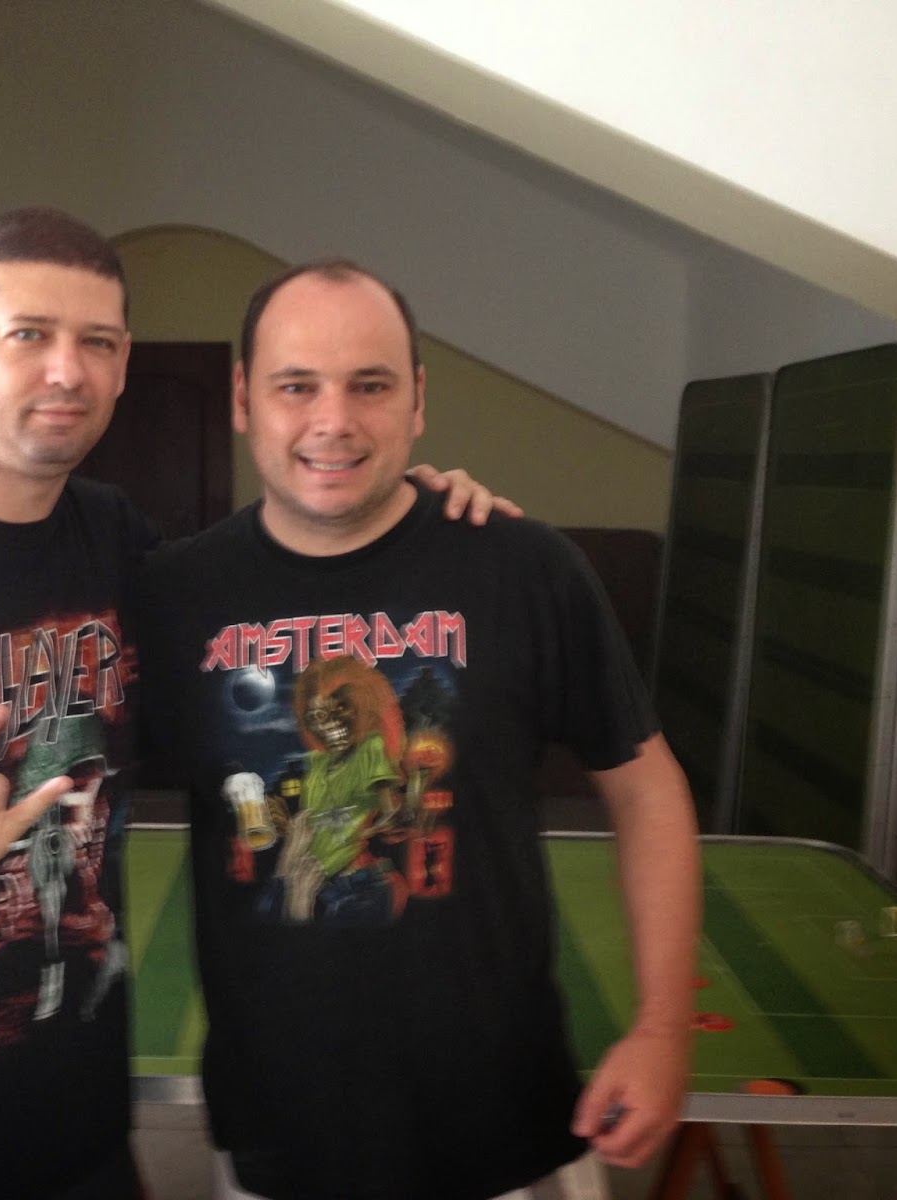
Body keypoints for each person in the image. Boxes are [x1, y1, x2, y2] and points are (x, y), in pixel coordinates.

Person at [0, 209, 507, 1199]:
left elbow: (277, 594)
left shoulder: (115, 539)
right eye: (28, 334)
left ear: (124, 363)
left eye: (97, 342)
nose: (66, 371)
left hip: (79, 1133)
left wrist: (404, 507)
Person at [137, 260, 701, 1200]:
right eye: (296, 386)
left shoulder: (524, 568)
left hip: (507, 1132)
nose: (333, 420)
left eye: (370, 385)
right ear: (242, 399)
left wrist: (663, 1029)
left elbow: (646, 789)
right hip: (280, 1132)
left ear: (418, 400)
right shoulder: (171, 595)